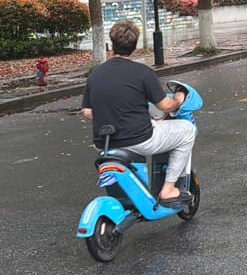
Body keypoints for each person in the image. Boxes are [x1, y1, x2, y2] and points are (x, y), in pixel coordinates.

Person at [81, 20, 196, 206]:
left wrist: (112, 112)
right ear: (134, 47)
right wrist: (178, 98)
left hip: (104, 143)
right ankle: (168, 189)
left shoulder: (95, 74)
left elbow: (87, 112)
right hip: (139, 140)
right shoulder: (142, 73)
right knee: (187, 130)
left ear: (111, 44)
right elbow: (164, 105)